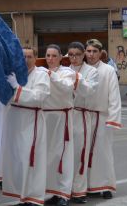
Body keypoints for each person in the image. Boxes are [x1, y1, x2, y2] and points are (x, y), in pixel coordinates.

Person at [1, 46, 50, 206]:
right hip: (15, 120)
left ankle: (34, 197)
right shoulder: (15, 74)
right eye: (23, 56)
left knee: (32, 159)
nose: (26, 59)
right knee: (18, 159)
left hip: (31, 120)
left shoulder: (41, 74)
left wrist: (17, 88)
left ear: (35, 58)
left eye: (30, 56)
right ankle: (23, 196)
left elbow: (39, 97)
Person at [85, 39, 121, 200]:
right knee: (83, 153)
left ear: (100, 53)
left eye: (94, 51)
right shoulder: (80, 69)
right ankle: (84, 186)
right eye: (89, 51)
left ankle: (105, 185)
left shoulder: (108, 70)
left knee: (103, 153)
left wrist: (112, 119)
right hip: (82, 117)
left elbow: (114, 96)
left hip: (102, 117)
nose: (91, 54)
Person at [42, 45, 75, 206]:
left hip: (62, 117)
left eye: (54, 55)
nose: (50, 59)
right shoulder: (41, 73)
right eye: (48, 55)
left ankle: (64, 194)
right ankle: (51, 193)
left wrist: (50, 75)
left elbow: (66, 87)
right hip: (45, 117)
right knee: (48, 157)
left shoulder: (67, 72)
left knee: (64, 157)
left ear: (61, 57)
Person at [67, 41, 99, 204]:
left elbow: (89, 92)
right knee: (64, 155)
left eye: (77, 55)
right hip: (65, 116)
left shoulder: (92, 71)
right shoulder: (64, 70)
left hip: (81, 114)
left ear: (83, 55)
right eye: (70, 54)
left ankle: (79, 191)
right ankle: (63, 190)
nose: (74, 58)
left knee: (80, 154)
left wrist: (77, 78)